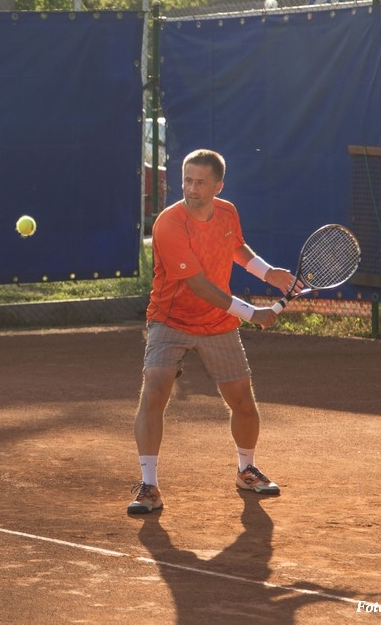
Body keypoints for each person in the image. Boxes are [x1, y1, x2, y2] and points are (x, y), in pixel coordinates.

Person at [128, 148, 297, 515]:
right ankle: (149, 486)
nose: (192, 189)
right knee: (154, 392)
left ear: (218, 186)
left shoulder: (227, 212)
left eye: (201, 183)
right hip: (170, 320)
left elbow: (235, 246)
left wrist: (267, 272)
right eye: (187, 181)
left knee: (243, 403)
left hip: (218, 323)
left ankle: (246, 470)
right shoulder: (169, 224)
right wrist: (252, 313)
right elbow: (199, 286)